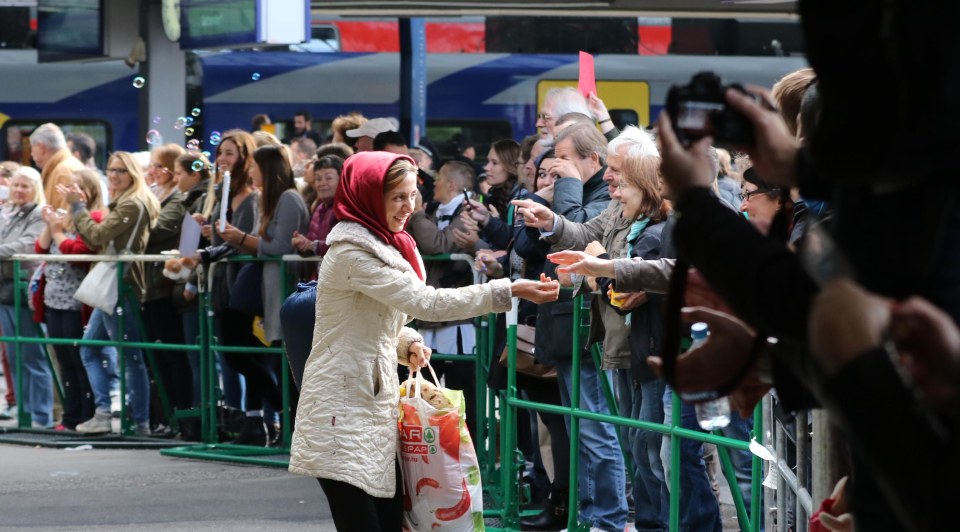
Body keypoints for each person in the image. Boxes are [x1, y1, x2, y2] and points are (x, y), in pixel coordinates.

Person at [288, 151, 560, 531]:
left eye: (413, 194)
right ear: (367, 196)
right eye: (398, 196)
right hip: (341, 407)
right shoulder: (352, 253)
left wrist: (406, 342)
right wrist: (510, 290)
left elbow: (371, 321)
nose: (409, 206)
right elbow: (425, 302)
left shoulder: (384, 242)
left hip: (368, 404)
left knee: (388, 520)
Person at [216, 144, 309, 445]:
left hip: (275, 290)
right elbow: (262, 244)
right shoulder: (265, 201)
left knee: (280, 360)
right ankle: (277, 416)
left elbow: (280, 247)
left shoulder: (289, 199)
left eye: (255, 166)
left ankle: (292, 424)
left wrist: (241, 237)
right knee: (245, 351)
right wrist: (234, 238)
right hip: (259, 288)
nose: (251, 171)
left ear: (267, 168)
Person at [67, 151, 160, 435]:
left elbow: (96, 236)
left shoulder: (133, 203)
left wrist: (77, 208)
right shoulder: (127, 201)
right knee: (90, 347)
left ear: (133, 172)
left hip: (122, 285)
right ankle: (105, 413)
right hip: (115, 284)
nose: (114, 175)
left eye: (121, 170)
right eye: (111, 169)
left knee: (130, 356)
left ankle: (139, 421)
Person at [35, 168, 104, 431]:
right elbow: (40, 248)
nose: (71, 192)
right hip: (53, 299)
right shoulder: (63, 219)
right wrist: (50, 224)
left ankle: (86, 415)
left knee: (79, 358)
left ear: (90, 192)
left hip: (77, 301)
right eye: (70, 187)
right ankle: (69, 416)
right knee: (63, 359)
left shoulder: (93, 218)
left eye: (78, 188)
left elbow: (77, 252)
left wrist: (58, 232)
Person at [139, 143, 191, 436]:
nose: (153, 172)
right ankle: (166, 418)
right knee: (156, 359)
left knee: (176, 359)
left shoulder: (178, 198)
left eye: (159, 166)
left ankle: (186, 417)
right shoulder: (155, 194)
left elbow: (157, 230)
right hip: (149, 288)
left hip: (165, 286)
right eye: (151, 166)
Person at [0, 167, 50, 427]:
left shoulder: (40, 214)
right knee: (14, 354)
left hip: (24, 289)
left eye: (25, 186)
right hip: (5, 290)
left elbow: (28, 245)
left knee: (33, 355)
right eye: (16, 185)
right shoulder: (9, 212)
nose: (18, 190)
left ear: (35, 189)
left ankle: (42, 416)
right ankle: (25, 415)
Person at [292, 155, 342, 258]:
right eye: (318, 179)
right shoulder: (319, 208)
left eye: (328, 178)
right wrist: (303, 243)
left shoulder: (345, 209)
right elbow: (312, 245)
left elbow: (342, 245)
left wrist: (313, 245)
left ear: (341, 180)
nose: (322, 183)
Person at [29, 123, 84, 209]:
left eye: (32, 148)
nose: (31, 154)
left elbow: (67, 216)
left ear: (41, 147)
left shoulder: (63, 172)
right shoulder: (65, 167)